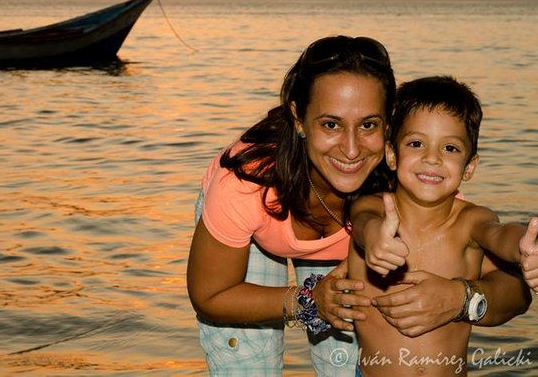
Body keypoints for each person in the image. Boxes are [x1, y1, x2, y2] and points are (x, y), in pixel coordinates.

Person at [187, 37, 532, 376]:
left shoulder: (415, 176)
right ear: (298, 117)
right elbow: (212, 294)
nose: (351, 150)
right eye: (331, 124)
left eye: (368, 124)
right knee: (249, 364)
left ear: (389, 126)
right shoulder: (247, 185)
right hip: (261, 226)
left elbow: (511, 279)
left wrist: (462, 298)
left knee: (342, 361)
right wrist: (309, 301)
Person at [349, 76, 538, 376]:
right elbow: (364, 221)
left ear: (470, 166)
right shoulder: (373, 207)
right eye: (416, 143)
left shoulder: (470, 220)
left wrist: (526, 248)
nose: (432, 158)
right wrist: (375, 238)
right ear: (392, 154)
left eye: (450, 148)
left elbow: (499, 233)